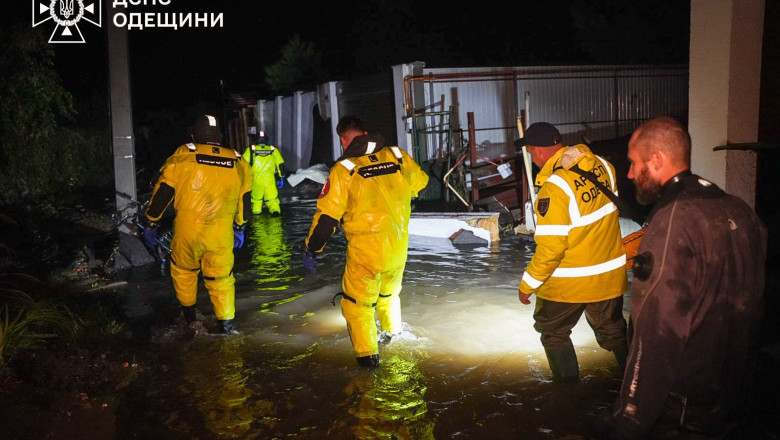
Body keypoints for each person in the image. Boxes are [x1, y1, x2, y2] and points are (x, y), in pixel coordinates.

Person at [602, 116, 767, 439]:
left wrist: (629, 418)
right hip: (734, 397)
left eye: (635, 163)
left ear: (658, 160)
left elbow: (656, 329)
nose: (630, 173)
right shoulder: (740, 209)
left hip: (684, 408)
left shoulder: (673, 221)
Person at [303, 115, 429, 368]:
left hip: (366, 253)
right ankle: (394, 338)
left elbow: (327, 220)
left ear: (343, 140)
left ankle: (368, 364)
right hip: (398, 248)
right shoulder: (397, 155)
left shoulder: (344, 169)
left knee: (357, 307)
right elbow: (421, 183)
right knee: (389, 296)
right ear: (365, 133)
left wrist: (312, 249)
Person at [517, 122, 629, 383]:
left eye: (531, 153)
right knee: (614, 332)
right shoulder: (602, 166)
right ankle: (637, 386)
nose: (533, 159)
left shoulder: (554, 187)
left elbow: (552, 248)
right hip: (609, 277)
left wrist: (528, 284)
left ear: (540, 152)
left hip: (569, 282)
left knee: (553, 333)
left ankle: (568, 396)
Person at [143, 114, 252, 334]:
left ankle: (191, 320)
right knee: (222, 281)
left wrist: (151, 222)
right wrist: (240, 226)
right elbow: (246, 199)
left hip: (188, 232)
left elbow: (164, 192)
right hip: (221, 235)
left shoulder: (183, 155)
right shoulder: (238, 161)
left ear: (194, 135)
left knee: (184, 273)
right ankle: (227, 327)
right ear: (219, 137)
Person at [241, 131, 285, 215]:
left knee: (256, 201)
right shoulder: (273, 149)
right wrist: (281, 177)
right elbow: (280, 164)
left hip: (256, 181)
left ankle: (257, 217)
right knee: (272, 199)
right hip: (270, 180)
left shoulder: (251, 150)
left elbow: (243, 164)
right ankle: (275, 212)